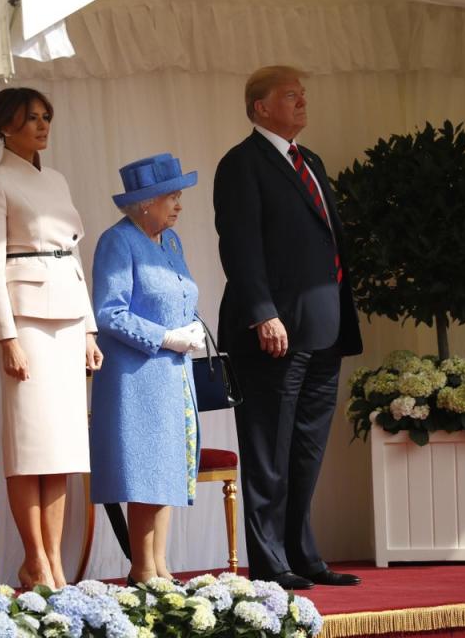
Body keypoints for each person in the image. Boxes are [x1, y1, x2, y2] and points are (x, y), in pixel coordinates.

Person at [213, 66, 364, 589]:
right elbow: (240, 246)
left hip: (324, 328)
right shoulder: (241, 165)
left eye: (303, 95)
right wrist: (263, 311)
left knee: (305, 451)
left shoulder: (311, 161)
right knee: (268, 449)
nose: (303, 103)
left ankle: (303, 554)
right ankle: (270, 561)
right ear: (261, 107)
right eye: (291, 96)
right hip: (271, 332)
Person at [0, 87, 103, 589]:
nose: (43, 126)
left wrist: (89, 328)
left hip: (69, 319)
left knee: (64, 448)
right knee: (29, 445)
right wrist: (4, 337)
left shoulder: (59, 179)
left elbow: (71, 257)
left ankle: (51, 562)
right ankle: (37, 560)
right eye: (32, 118)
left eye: (47, 117)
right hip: (25, 320)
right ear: (7, 126)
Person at [89, 154, 205, 585]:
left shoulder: (171, 243)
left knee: (169, 467)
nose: (178, 204)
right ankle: (143, 568)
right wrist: (165, 337)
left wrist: (191, 327)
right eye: (170, 197)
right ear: (143, 203)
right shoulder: (117, 242)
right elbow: (109, 312)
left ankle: (161, 567)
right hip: (136, 376)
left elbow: (180, 296)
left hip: (174, 374)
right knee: (146, 470)